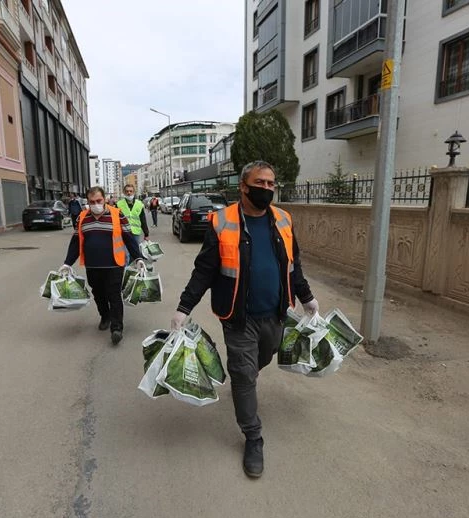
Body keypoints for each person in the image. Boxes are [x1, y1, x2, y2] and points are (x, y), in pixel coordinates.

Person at [170, 161, 319, 479]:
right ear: (243, 185)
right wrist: (184, 308)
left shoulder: (283, 219)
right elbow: (205, 270)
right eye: (260, 182)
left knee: (262, 358)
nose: (266, 188)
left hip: (276, 313)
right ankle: (253, 436)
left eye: (271, 183)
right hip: (237, 316)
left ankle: (245, 376)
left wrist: (306, 298)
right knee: (243, 373)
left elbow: (293, 266)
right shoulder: (222, 221)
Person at [61, 186, 146, 345]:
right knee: (98, 294)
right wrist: (67, 263)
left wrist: (138, 258)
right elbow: (75, 242)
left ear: (105, 199)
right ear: (87, 202)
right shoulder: (82, 218)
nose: (96, 204)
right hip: (93, 265)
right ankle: (105, 316)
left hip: (114, 264)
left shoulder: (117, 214)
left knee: (113, 294)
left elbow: (129, 238)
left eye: (99, 201)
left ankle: (117, 328)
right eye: (92, 202)